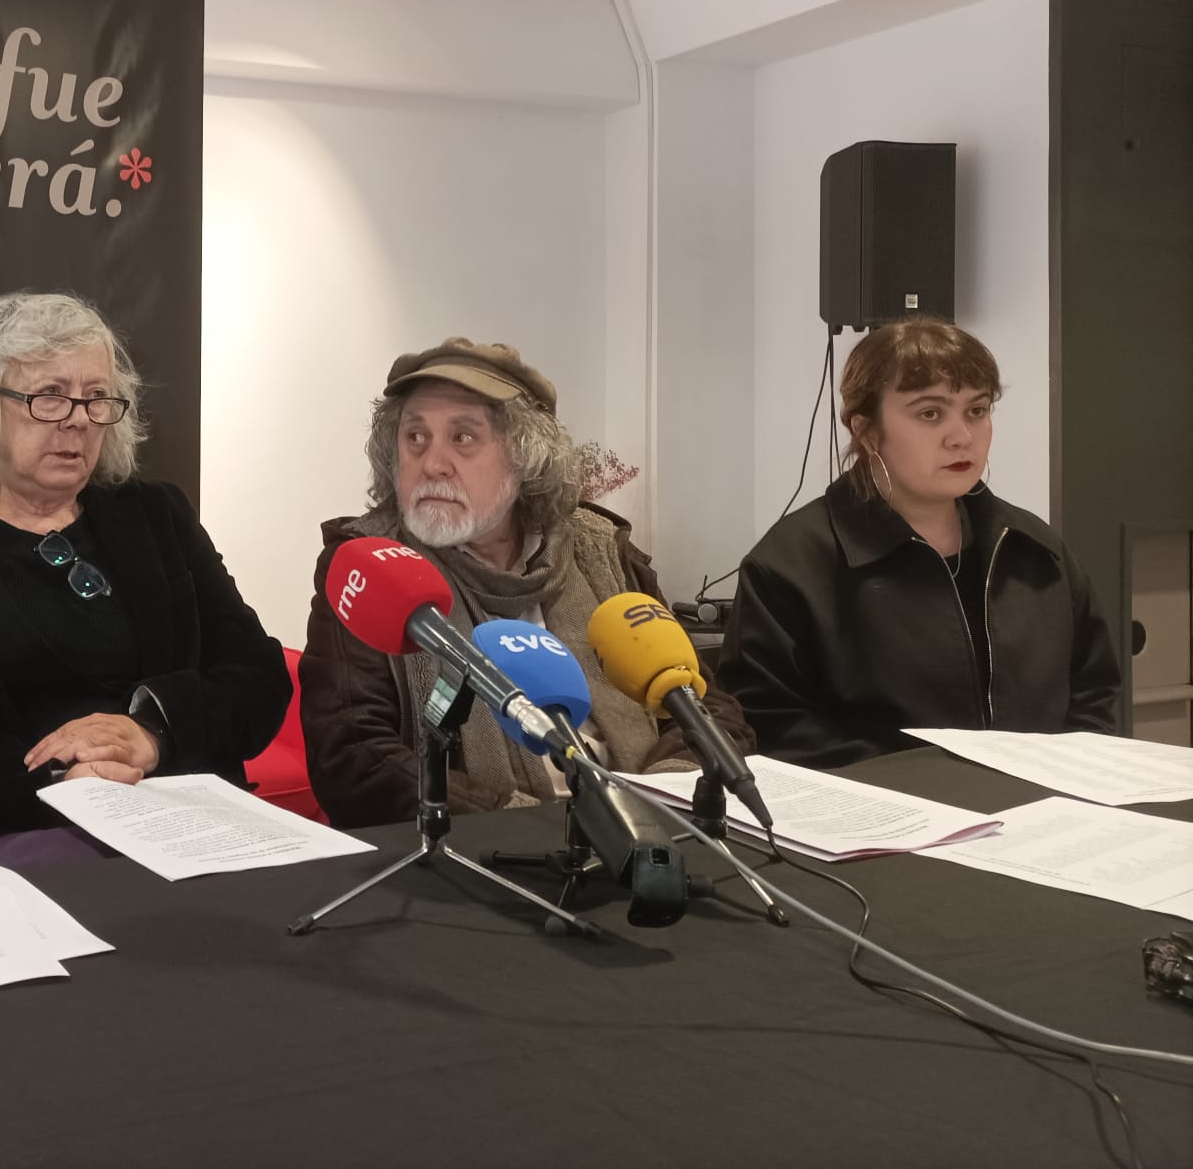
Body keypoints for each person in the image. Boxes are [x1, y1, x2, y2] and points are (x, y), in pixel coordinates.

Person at [0, 290, 290, 858]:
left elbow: (259, 677)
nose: (77, 421)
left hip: (182, 828)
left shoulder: (157, 516)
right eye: (49, 397)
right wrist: (57, 780)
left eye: (97, 398)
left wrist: (153, 732)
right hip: (12, 843)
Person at [299, 338, 750, 828]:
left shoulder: (601, 552)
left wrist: (664, 794)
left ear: (526, 458)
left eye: (464, 438)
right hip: (484, 860)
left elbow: (706, 706)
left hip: (647, 832)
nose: (432, 463)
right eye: (415, 438)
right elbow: (354, 760)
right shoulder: (367, 567)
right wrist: (520, 827)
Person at [716, 317, 1120, 767]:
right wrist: (943, 791)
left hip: (1046, 815)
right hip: (882, 823)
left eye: (977, 410)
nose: (962, 437)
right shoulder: (790, 564)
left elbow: (1096, 693)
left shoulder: (1035, 547)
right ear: (867, 431)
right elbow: (776, 726)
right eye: (930, 413)